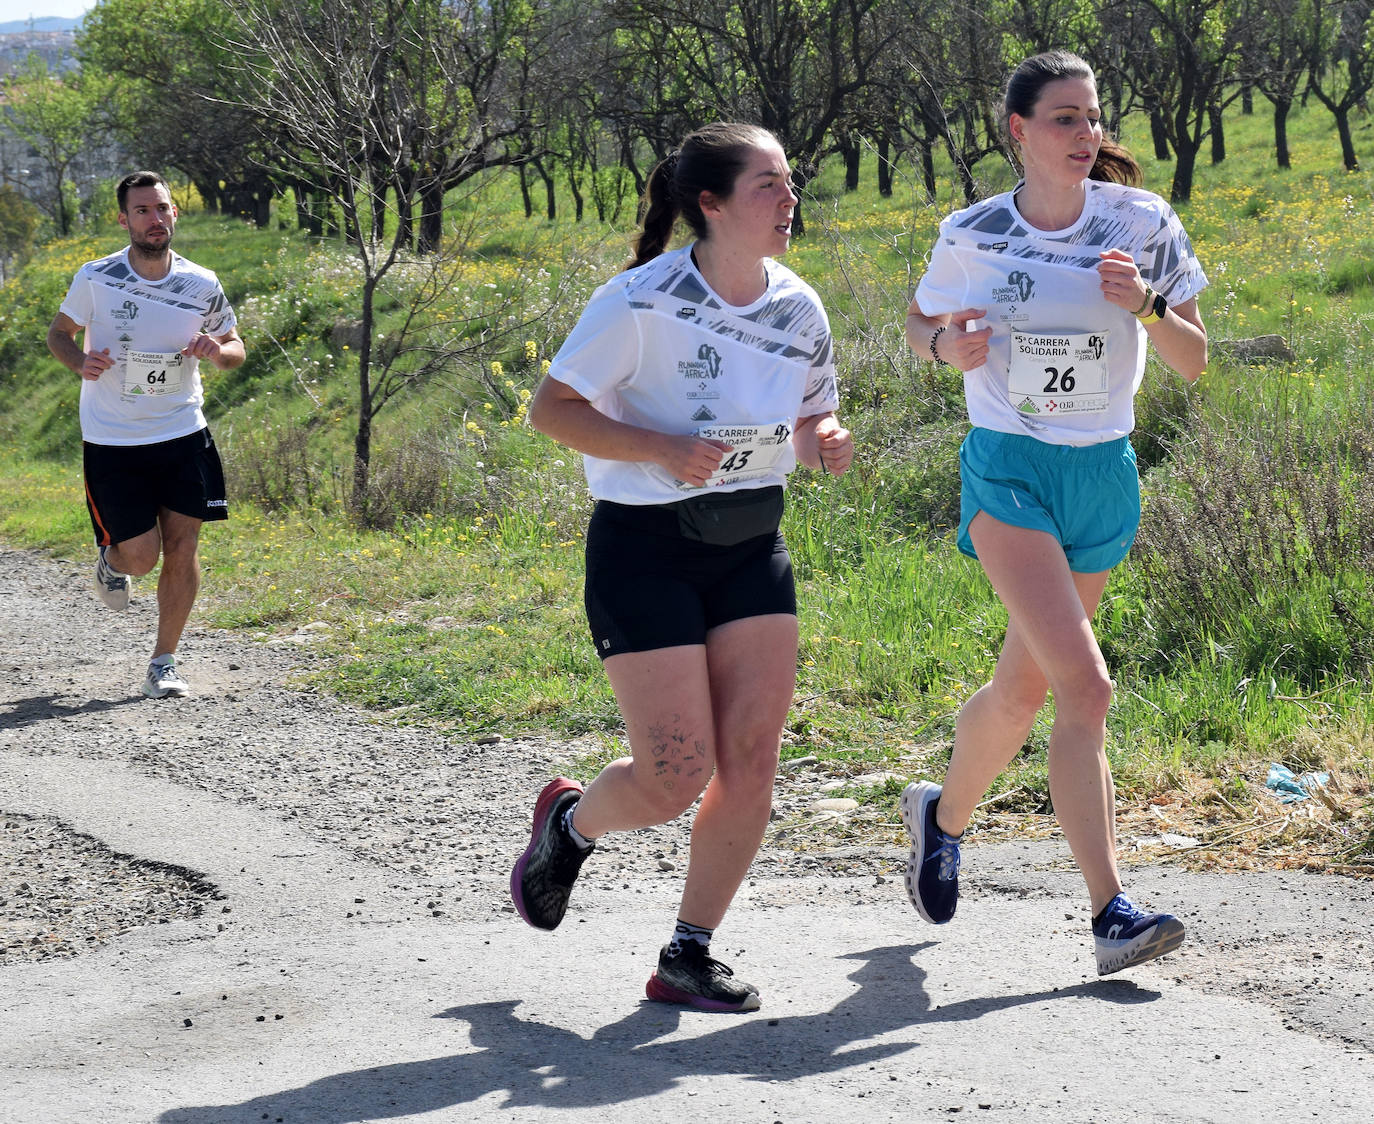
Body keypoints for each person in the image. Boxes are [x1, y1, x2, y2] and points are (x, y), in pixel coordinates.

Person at [510, 122, 854, 1012]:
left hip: (750, 547)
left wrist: (826, 441)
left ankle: (687, 954)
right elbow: (552, 410)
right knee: (674, 776)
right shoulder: (639, 300)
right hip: (645, 547)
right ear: (710, 203)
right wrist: (659, 447)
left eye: (791, 183)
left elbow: (813, 419)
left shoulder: (799, 307)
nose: (790, 201)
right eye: (769, 186)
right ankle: (569, 825)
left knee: (752, 762)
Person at [902, 51, 1207, 976]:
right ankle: (1112, 911)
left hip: (1104, 472)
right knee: (1089, 688)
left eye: (1093, 118)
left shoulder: (1142, 221)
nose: (1086, 136)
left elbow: (1195, 362)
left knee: (1025, 690)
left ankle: (939, 817)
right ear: (1019, 131)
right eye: (1065, 119)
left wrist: (1149, 306)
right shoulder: (973, 231)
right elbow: (919, 327)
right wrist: (944, 345)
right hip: (1010, 471)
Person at [47, 171, 245, 700]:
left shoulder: (202, 282)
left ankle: (164, 661)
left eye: (161, 209)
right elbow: (58, 334)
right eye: (142, 211)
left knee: (183, 547)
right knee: (141, 557)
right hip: (113, 440)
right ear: (124, 219)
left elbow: (235, 347)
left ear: (174, 213)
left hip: (183, 431)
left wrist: (216, 351)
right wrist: (81, 361)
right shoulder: (97, 276)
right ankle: (113, 563)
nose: (154, 220)